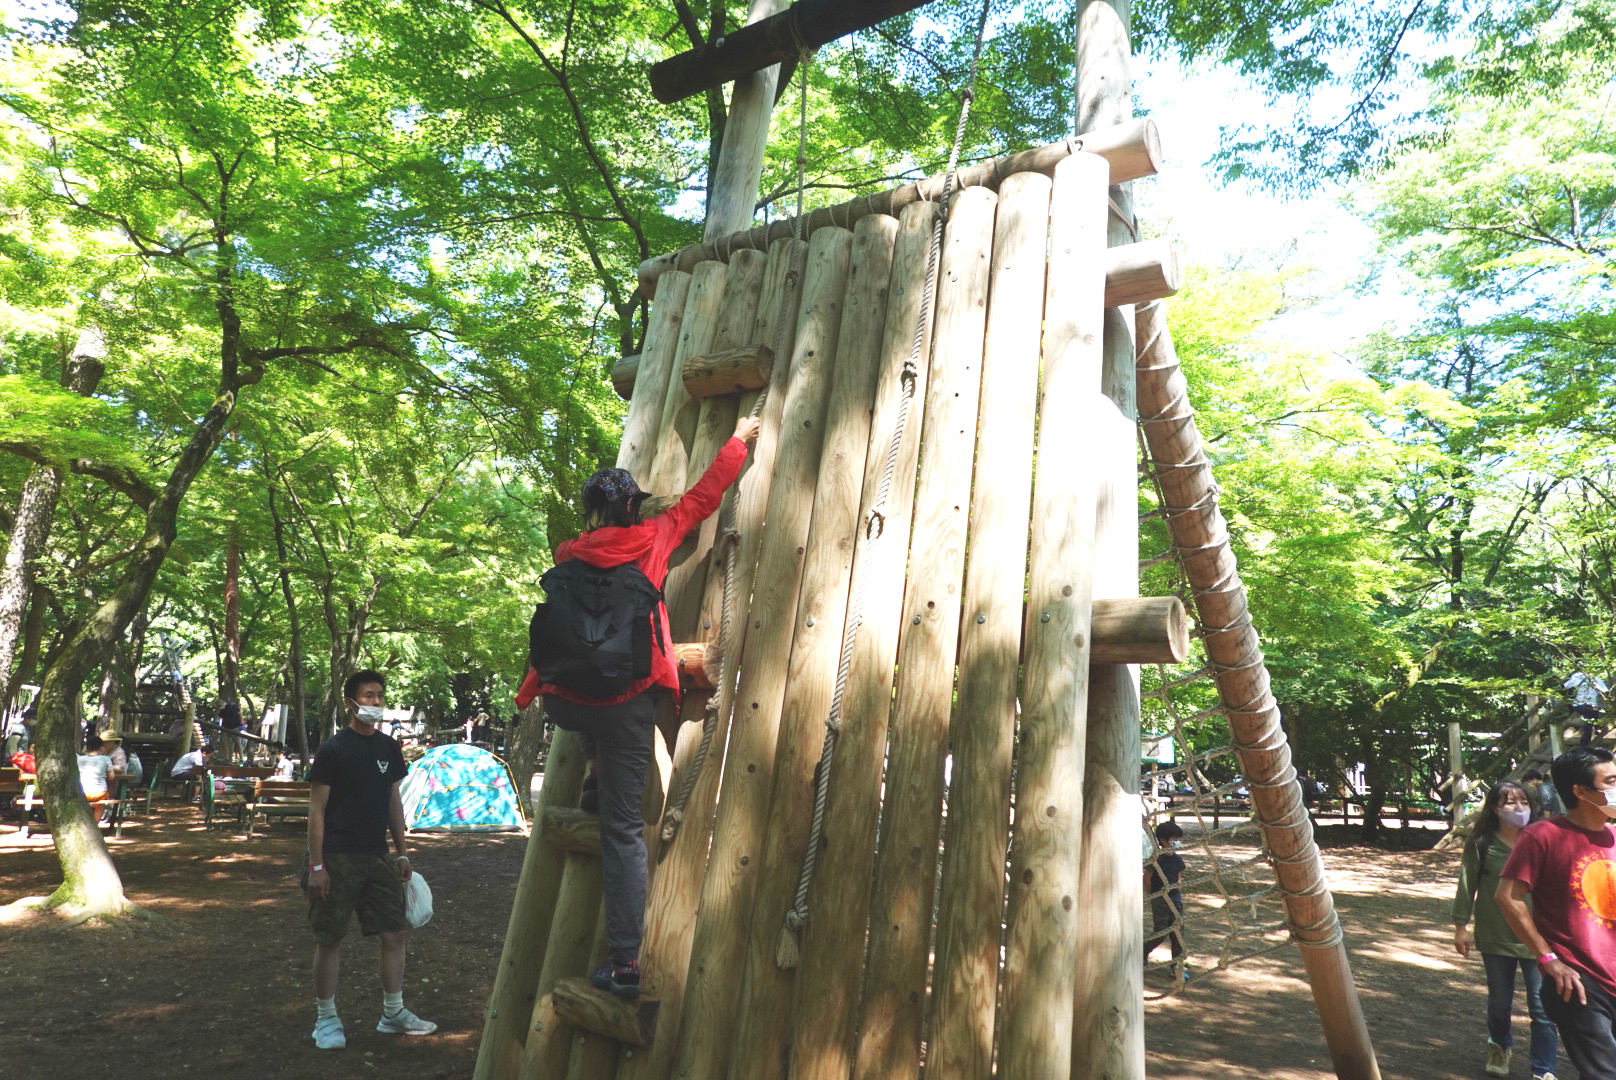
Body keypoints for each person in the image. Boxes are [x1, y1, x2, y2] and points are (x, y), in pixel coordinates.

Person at [514, 413, 760, 998]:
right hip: (626, 705)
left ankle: (594, 772)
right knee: (624, 833)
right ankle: (625, 964)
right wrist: (739, 440)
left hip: (565, 706)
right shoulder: (654, 536)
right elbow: (705, 496)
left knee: (581, 711)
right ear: (633, 508)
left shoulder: (568, 551)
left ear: (592, 511)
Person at [303, 669, 434, 1051]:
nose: (375, 703)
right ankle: (326, 1019)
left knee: (395, 933)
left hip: (378, 855)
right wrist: (317, 866)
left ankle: (393, 1013)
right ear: (350, 703)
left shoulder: (389, 748)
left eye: (379, 695)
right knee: (330, 938)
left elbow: (393, 802)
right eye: (368, 696)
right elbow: (317, 812)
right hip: (337, 857)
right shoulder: (332, 750)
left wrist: (402, 853)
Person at [1497, 745, 1616, 1080]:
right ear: (1580, 791)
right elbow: (1507, 897)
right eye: (1612, 780)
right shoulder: (1542, 836)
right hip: (1578, 982)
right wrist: (1549, 959)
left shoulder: (1615, 836)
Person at [1453, 781, 1560, 1079]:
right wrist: (1460, 927)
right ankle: (1500, 1045)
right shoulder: (1481, 843)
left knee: (1543, 1008)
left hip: (1538, 940)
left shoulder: (1542, 840)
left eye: (1524, 801)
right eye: (1510, 802)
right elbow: (1466, 886)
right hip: (1495, 936)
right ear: (1495, 808)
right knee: (1500, 1003)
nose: (1519, 808)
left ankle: (1544, 1069)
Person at [1143, 820, 1187, 974]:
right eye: (1174, 839)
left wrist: (1178, 892)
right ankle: (1142, 952)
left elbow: (1179, 876)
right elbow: (1147, 878)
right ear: (1163, 840)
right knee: (1160, 932)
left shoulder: (1178, 859)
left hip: (1175, 900)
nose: (1178, 842)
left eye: (1179, 839)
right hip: (1160, 900)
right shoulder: (1156, 859)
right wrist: (1153, 895)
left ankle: (1177, 965)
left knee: (1178, 933)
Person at [77, 737, 115, 808]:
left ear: (86, 747)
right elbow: (111, 777)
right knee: (101, 805)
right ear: (101, 747)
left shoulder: (79, 759)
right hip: (100, 794)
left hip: (83, 793)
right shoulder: (106, 759)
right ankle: (96, 819)